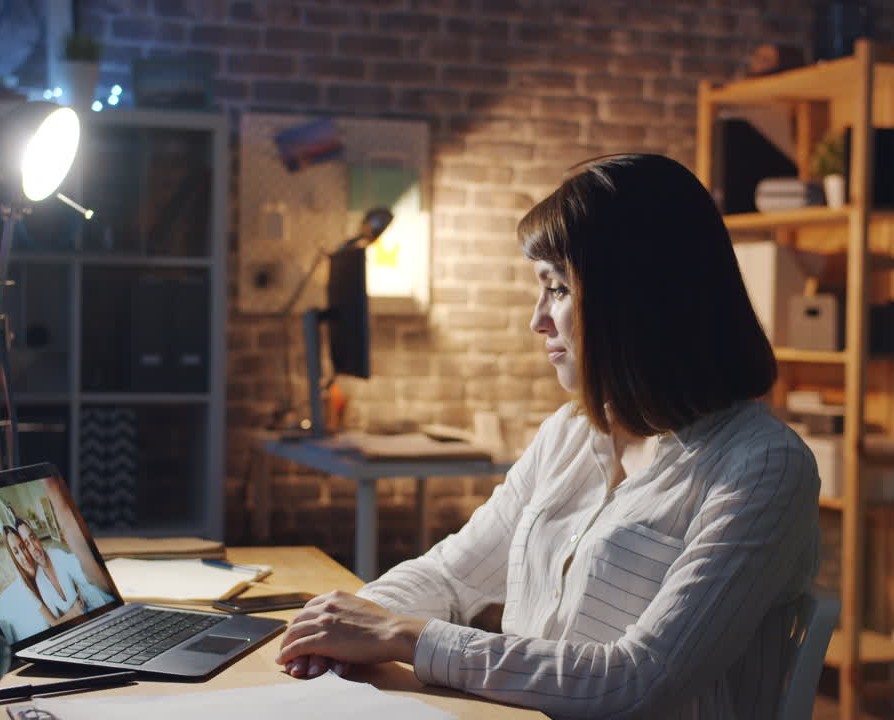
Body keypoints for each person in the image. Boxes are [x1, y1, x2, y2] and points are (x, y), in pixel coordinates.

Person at [275, 153, 821, 719]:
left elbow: (640, 679)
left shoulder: (764, 466)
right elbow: (451, 574)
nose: (537, 319)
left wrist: (404, 637)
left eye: (557, 288)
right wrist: (343, 626)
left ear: (635, 301)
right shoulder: (569, 434)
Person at [16, 518, 113, 617]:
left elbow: (85, 574)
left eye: (32, 538)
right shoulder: (40, 581)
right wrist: (73, 612)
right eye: (27, 544)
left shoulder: (58, 554)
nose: (33, 547)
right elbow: (57, 618)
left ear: (37, 538)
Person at [0, 525, 53, 644]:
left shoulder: (42, 558)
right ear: (13, 557)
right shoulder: (24, 585)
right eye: (16, 552)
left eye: (23, 547)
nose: (24, 557)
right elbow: (52, 622)